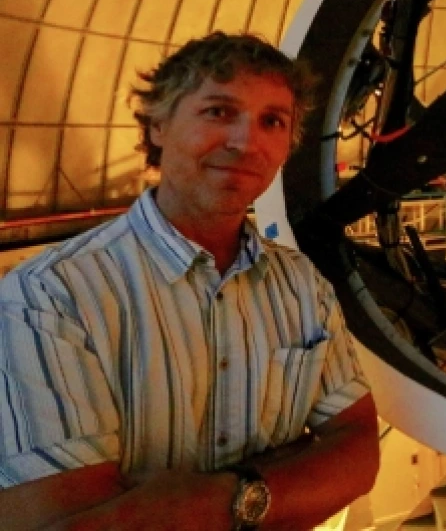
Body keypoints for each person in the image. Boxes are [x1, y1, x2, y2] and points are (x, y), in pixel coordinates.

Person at [0, 32, 380, 530]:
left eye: (272, 121)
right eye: (219, 112)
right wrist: (294, 480)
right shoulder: (47, 295)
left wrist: (217, 501)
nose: (245, 142)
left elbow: (358, 454)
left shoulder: (302, 285)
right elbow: (62, 519)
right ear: (158, 123)